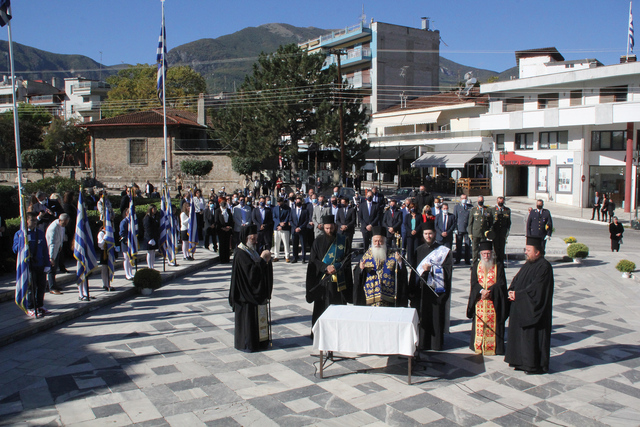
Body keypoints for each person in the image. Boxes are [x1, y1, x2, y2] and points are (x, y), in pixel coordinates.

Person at [505, 236, 554, 375]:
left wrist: (518, 295)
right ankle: (519, 361)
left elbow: (537, 289)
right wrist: (511, 291)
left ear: (537, 252)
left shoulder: (544, 267)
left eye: (528, 250)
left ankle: (532, 365)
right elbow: (517, 280)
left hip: (533, 309)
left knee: (531, 338)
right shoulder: (528, 264)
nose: (525, 252)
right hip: (520, 306)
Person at [228, 224, 274, 352]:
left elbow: (258, 269)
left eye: (256, 238)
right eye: (253, 239)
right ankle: (248, 344)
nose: (256, 241)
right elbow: (250, 274)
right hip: (245, 295)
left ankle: (259, 342)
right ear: (246, 238)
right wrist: (261, 259)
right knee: (248, 323)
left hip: (252, 293)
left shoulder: (251, 251)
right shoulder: (240, 253)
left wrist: (266, 262)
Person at [409, 221, 453, 351]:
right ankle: (422, 343)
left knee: (435, 316)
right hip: (422, 291)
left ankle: (436, 344)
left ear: (435, 234)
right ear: (423, 235)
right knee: (423, 316)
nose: (428, 236)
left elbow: (448, 270)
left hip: (435, 290)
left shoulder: (444, 251)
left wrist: (432, 268)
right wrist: (411, 289)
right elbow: (414, 271)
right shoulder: (419, 250)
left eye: (430, 233)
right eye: (426, 234)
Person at [306, 215, 353, 333]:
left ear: (335, 227)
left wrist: (335, 267)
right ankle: (319, 333)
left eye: (331, 228)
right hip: (322, 281)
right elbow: (313, 260)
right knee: (321, 307)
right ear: (323, 228)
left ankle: (339, 332)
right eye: (326, 228)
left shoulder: (343, 240)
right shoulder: (318, 241)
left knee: (338, 307)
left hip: (338, 282)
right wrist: (325, 267)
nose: (329, 231)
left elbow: (347, 259)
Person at [466, 241, 509, 355]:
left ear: (492, 253)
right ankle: (479, 345)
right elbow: (473, 283)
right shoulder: (476, 266)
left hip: (493, 302)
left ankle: (494, 348)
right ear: (480, 254)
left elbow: (501, 284)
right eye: (484, 254)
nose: (486, 256)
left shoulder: (498, 265)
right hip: (480, 303)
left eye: (488, 254)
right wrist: (481, 291)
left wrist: (490, 292)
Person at [353, 227, 407, 307]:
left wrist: (399, 262)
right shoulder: (366, 256)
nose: (377, 244)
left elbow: (401, 273)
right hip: (371, 298)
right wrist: (361, 268)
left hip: (388, 298)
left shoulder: (393, 255)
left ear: (384, 242)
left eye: (380, 241)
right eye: (375, 241)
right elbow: (358, 274)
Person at [14, 212, 51, 317]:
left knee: (41, 286)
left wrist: (47, 263)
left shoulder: (39, 233)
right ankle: (30, 307)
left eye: (35, 220)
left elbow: (44, 249)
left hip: (40, 264)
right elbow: (15, 249)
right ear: (26, 221)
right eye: (32, 220)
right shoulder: (20, 234)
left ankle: (40, 305)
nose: (35, 222)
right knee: (31, 287)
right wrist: (23, 242)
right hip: (29, 265)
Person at [45, 213, 69, 295]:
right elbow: (51, 243)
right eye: (64, 223)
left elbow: (61, 237)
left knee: (55, 269)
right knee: (51, 269)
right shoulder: (53, 228)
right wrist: (51, 257)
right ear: (60, 220)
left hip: (58, 248)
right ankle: (51, 287)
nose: (65, 225)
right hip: (52, 250)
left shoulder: (61, 226)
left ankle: (54, 284)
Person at [468, 195, 493, 263]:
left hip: (483, 233)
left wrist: (489, 231)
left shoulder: (487, 210)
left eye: (481, 201)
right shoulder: (473, 210)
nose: (480, 202)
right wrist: (470, 233)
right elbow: (470, 222)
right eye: (479, 201)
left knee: (483, 249)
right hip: (475, 232)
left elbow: (490, 222)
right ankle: (474, 263)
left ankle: (482, 262)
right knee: (475, 249)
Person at [490, 197, 511, 263]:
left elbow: (508, 222)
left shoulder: (507, 210)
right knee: (495, 247)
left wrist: (507, 231)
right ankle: (496, 261)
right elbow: (490, 221)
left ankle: (501, 262)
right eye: (499, 201)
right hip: (495, 231)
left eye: (502, 202)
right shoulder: (493, 210)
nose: (501, 203)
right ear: (497, 202)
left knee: (502, 247)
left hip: (503, 232)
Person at [403, 202, 423, 267]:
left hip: (417, 235)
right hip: (409, 235)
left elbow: (421, 224)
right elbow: (405, 225)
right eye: (411, 208)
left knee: (416, 249)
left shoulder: (419, 215)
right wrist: (410, 231)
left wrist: (416, 230)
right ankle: (410, 263)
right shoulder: (407, 216)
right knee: (410, 249)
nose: (413, 209)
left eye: (414, 207)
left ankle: (416, 262)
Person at [453, 194, 471, 265]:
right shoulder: (457, 207)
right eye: (463, 198)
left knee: (468, 245)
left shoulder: (470, 207)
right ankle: (458, 259)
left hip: (467, 229)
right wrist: (455, 228)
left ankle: (467, 260)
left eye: (465, 198)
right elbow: (455, 218)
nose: (464, 199)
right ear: (460, 199)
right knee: (459, 245)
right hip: (459, 228)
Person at [271, 197, 291, 262]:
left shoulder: (288, 209)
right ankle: (276, 256)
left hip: (285, 228)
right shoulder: (275, 208)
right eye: (278, 202)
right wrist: (279, 223)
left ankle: (287, 256)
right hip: (277, 228)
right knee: (276, 243)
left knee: (286, 243)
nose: (279, 203)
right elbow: (274, 217)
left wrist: (283, 224)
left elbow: (288, 217)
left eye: (280, 202)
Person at [96, 221, 115, 291]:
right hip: (104, 252)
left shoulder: (110, 233)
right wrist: (105, 238)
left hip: (110, 252)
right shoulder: (101, 233)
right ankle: (105, 284)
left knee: (109, 269)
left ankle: (109, 283)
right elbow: (100, 244)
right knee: (104, 269)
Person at [290, 195, 309, 263]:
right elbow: (291, 220)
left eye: (299, 201)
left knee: (303, 244)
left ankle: (303, 258)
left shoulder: (305, 211)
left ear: (301, 202)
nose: (298, 202)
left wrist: (300, 228)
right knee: (295, 244)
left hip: (302, 230)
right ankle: (295, 257)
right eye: (297, 201)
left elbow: (306, 220)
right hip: (294, 230)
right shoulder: (292, 210)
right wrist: (295, 227)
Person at [214, 198, 234, 263]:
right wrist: (222, 227)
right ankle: (222, 259)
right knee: (222, 244)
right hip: (221, 229)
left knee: (227, 244)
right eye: (222, 202)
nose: (224, 203)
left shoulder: (228, 210)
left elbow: (231, 220)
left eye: (224, 202)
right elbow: (216, 221)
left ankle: (227, 258)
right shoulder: (217, 211)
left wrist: (229, 227)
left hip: (228, 229)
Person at [119, 208, 134, 281]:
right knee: (126, 258)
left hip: (131, 242)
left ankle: (130, 272)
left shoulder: (131, 222)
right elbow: (121, 232)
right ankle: (127, 273)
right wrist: (126, 239)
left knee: (130, 258)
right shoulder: (124, 222)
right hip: (125, 242)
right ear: (126, 213)